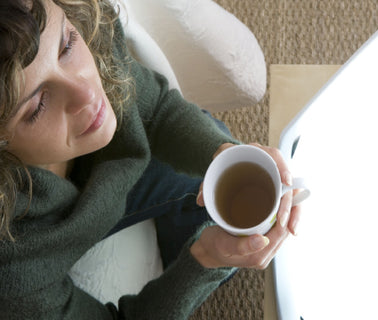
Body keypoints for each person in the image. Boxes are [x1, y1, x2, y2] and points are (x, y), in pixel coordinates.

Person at [0, 0, 301, 319]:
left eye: (66, 45)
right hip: (32, 240)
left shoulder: (90, 35)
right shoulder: (11, 267)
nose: (87, 92)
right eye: (37, 107)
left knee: (215, 172)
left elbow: (156, 110)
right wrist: (204, 261)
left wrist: (223, 153)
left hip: (109, 179)